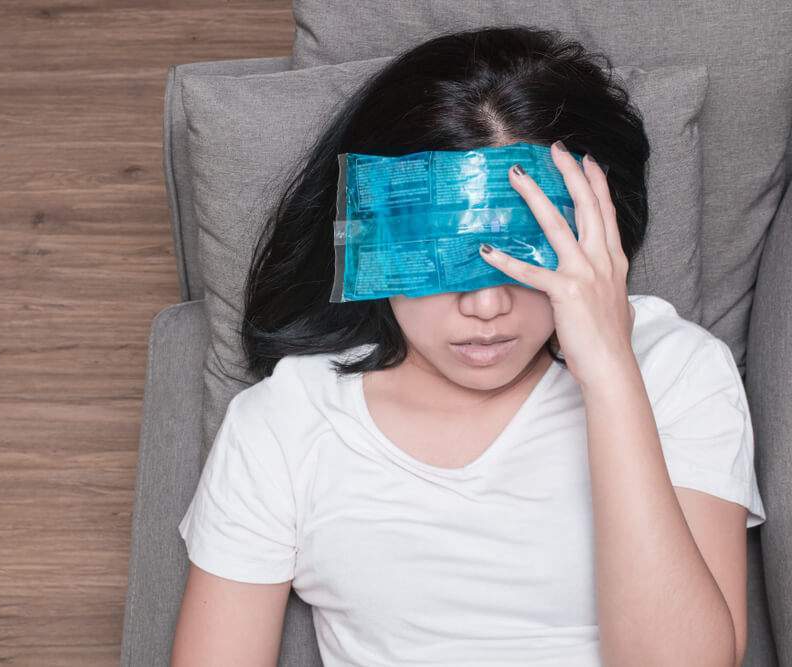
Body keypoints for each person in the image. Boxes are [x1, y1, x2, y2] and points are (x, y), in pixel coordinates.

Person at [171, 25, 766, 667]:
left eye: (526, 257)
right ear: (371, 239)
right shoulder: (284, 422)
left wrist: (612, 374)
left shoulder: (676, 369)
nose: (487, 307)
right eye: (443, 259)